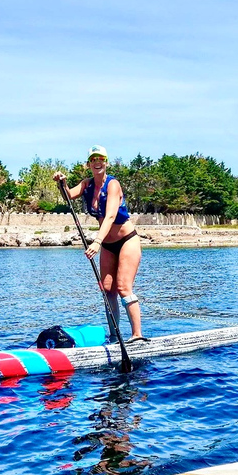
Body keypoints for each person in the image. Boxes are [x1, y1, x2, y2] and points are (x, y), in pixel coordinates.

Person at [53, 145, 147, 343]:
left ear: (106, 162)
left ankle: (137, 335)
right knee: (107, 289)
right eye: (93, 159)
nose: (97, 162)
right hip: (107, 245)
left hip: (126, 240)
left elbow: (111, 215)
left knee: (123, 287)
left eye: (101, 159)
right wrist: (62, 183)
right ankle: (114, 337)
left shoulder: (113, 185)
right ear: (89, 164)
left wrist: (96, 241)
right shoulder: (87, 184)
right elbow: (68, 196)